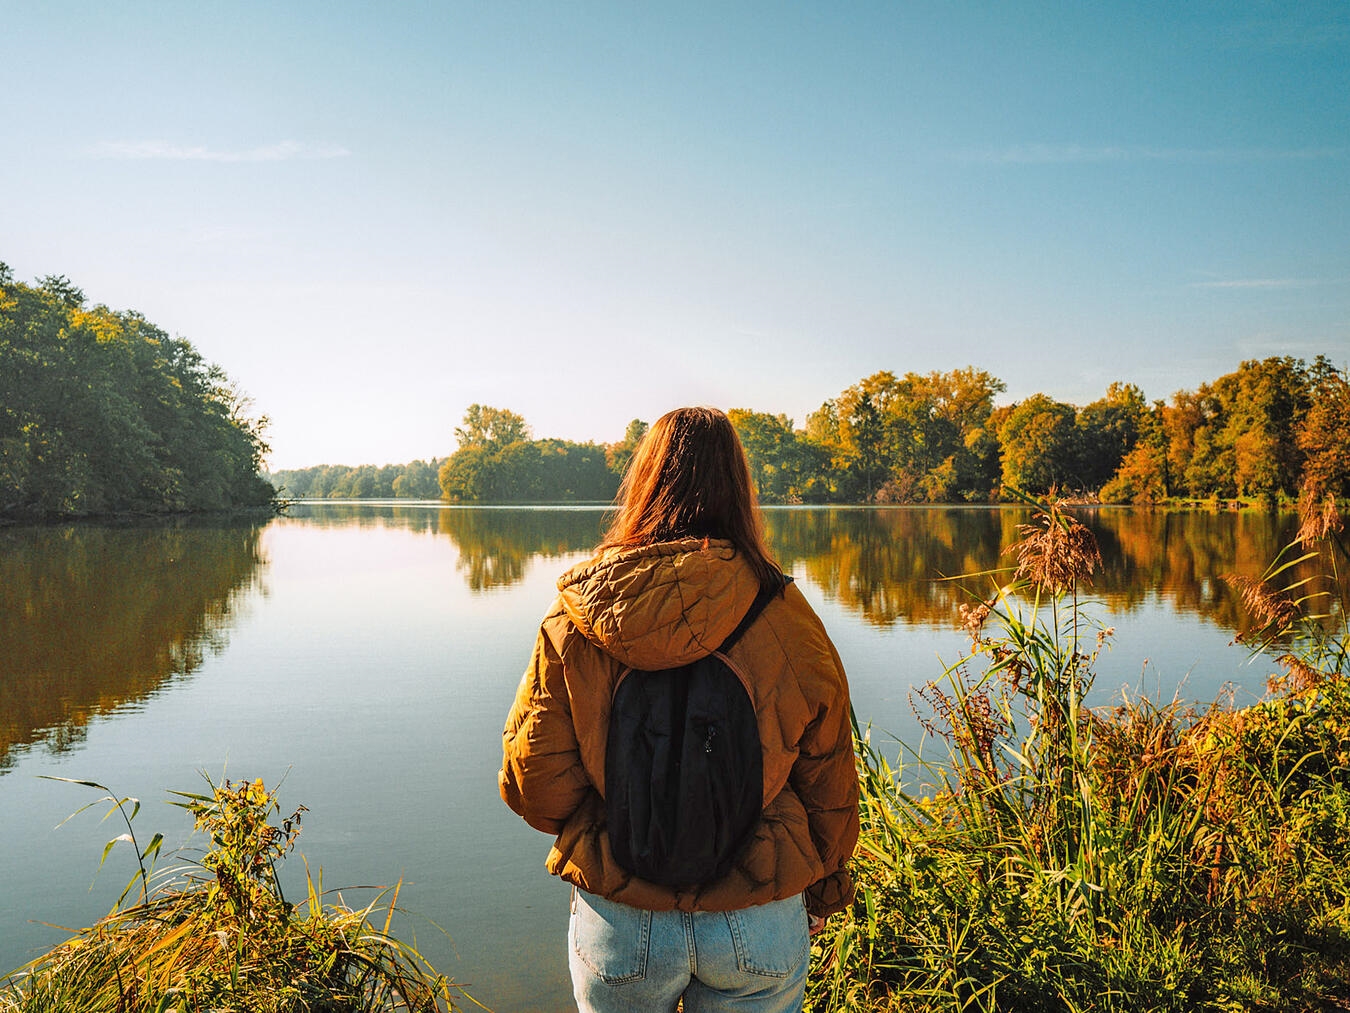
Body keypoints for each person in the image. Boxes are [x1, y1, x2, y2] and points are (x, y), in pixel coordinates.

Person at [499, 406, 859, 1012]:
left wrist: (626, 813)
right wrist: (822, 892)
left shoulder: (577, 619)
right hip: (757, 913)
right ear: (740, 490)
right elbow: (829, 782)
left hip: (621, 915)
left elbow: (534, 784)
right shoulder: (787, 619)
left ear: (642, 484)